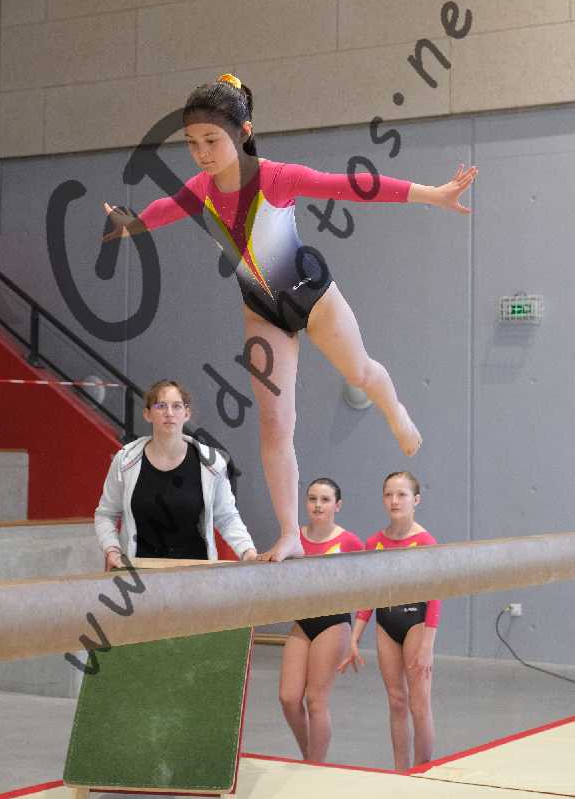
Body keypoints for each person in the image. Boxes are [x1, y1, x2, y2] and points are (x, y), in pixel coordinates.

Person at [103, 74, 476, 561]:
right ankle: (289, 534)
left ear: (243, 132)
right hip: (262, 311)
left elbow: (353, 187)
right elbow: (163, 210)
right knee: (275, 423)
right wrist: (130, 226)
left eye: (212, 140)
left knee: (360, 373)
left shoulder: (275, 178)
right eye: (192, 143)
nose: (202, 153)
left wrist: (433, 194)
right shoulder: (200, 190)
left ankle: (395, 410)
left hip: (311, 295)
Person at [93, 378, 257, 568]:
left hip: (196, 574)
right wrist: (112, 550)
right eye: (161, 406)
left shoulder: (211, 464)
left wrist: (248, 552)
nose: (169, 413)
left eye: (177, 406)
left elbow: (227, 517)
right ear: (147, 414)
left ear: (187, 413)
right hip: (138, 573)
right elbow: (106, 514)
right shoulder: (125, 461)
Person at [338, 470, 441, 770]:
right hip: (386, 624)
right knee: (396, 701)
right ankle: (400, 769)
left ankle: (422, 770)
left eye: (402, 495)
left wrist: (427, 646)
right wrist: (355, 636)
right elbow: (371, 594)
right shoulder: (375, 542)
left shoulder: (425, 542)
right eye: (388, 495)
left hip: (416, 624)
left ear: (416, 500)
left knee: (419, 705)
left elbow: (436, 597)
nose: (394, 501)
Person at [279, 478, 364, 763]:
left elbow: (370, 589)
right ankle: (310, 757)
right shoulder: (294, 538)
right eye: (312, 499)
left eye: (325, 500)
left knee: (316, 701)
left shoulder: (350, 542)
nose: (317, 505)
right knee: (289, 698)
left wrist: (355, 638)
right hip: (303, 621)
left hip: (333, 623)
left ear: (337, 505)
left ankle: (315, 765)